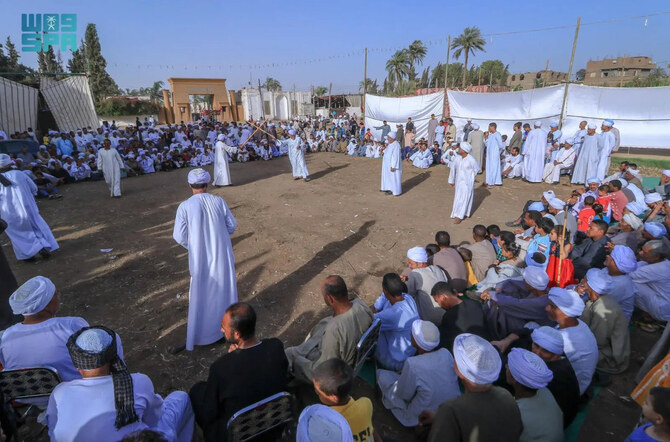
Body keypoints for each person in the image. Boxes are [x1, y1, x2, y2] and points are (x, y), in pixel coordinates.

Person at [46, 326, 194, 442]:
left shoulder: (59, 392)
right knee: (180, 397)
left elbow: (53, 431)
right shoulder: (137, 382)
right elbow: (155, 418)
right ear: (114, 358)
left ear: (77, 366)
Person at [0, 276, 123, 387]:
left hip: (28, 397)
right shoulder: (70, 325)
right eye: (55, 294)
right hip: (74, 390)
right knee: (110, 337)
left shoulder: (6, 336)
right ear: (46, 304)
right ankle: (117, 381)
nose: (58, 296)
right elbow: (93, 355)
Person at [189, 303, 288, 441]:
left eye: (224, 327)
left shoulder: (221, 368)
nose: (221, 329)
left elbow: (209, 412)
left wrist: (235, 357)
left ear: (237, 333)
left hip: (238, 433)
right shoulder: (276, 347)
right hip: (274, 422)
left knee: (196, 392)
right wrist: (238, 355)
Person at [173, 169, 238, 352]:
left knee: (201, 294)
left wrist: (194, 246)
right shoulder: (218, 201)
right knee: (225, 291)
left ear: (189, 185)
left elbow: (179, 236)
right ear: (207, 184)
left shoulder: (185, 206)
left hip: (199, 258)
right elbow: (232, 226)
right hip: (221, 256)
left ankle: (202, 335)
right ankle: (227, 331)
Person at [419, 334, 522, 442]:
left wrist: (443, 418)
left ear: (459, 371)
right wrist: (440, 418)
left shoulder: (451, 409)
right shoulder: (507, 397)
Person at [285, 275, 373, 383]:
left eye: (324, 296)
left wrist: (298, 363)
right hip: (351, 343)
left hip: (337, 365)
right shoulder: (360, 305)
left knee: (289, 354)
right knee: (324, 322)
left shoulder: (334, 330)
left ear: (330, 299)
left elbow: (325, 369)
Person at [377, 320, 461, 427]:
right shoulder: (446, 353)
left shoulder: (412, 364)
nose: (410, 334)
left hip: (421, 415)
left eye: (412, 333)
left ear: (417, 342)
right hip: (450, 408)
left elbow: (404, 395)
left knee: (381, 375)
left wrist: (405, 375)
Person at [0, 154, 59, 261]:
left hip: (9, 213)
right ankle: (42, 246)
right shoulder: (19, 174)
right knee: (35, 227)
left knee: (18, 235)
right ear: (10, 163)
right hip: (28, 208)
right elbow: (34, 188)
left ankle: (28, 255)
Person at [312, 359, 380, 442]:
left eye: (318, 392)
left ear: (334, 398)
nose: (316, 392)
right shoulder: (366, 403)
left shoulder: (326, 421)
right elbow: (371, 429)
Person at [578, 268, 630, 375]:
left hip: (610, 358)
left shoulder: (602, 308)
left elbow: (599, 341)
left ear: (591, 285)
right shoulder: (598, 299)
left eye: (584, 280)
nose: (582, 282)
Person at [480, 266, 554, 340]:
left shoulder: (543, 302)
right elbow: (511, 282)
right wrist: (498, 290)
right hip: (525, 316)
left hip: (533, 330)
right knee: (507, 296)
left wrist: (493, 294)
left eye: (525, 280)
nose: (523, 281)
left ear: (530, 284)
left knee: (502, 309)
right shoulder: (541, 289)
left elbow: (516, 304)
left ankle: (494, 336)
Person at [506, 348, 563, 442]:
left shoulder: (514, 414)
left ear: (513, 377)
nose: (506, 367)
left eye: (508, 366)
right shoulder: (545, 391)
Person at [547, 287, 597, 394]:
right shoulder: (579, 323)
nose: (546, 308)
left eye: (552, 307)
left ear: (565, 313)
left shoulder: (564, 339)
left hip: (572, 389)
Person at [530, 326, 580, 428]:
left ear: (556, 355)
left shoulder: (553, 375)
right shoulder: (561, 361)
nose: (537, 352)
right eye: (536, 345)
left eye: (545, 351)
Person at [372, 273, 419, 370]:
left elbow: (368, 319)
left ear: (385, 291)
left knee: (371, 330)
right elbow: (378, 306)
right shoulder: (408, 298)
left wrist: (378, 305)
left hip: (396, 362)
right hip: (409, 353)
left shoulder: (393, 314)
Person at [431, 281, 489, 351]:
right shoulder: (473, 303)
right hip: (487, 345)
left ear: (444, 297)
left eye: (437, 301)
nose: (439, 305)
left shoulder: (449, 317)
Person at [405, 247, 448, 325]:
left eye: (411, 264)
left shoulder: (415, 273)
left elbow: (409, 295)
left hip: (430, 319)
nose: (409, 266)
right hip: (446, 314)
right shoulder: (437, 268)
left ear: (420, 264)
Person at [631, 240, 670, 322]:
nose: (641, 253)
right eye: (642, 250)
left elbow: (626, 274)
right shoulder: (664, 262)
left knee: (629, 283)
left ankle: (648, 314)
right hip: (664, 302)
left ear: (656, 257)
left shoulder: (656, 269)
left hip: (663, 309)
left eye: (645, 252)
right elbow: (633, 266)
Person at [605, 245, 638, 322]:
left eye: (610, 256)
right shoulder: (609, 271)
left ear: (616, 264)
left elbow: (595, 300)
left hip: (612, 321)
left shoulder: (620, 284)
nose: (607, 256)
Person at [449, 142, 479, 224]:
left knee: (465, 198)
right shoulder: (457, 158)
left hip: (467, 183)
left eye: (461, 148)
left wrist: (470, 177)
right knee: (458, 197)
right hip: (458, 182)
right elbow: (452, 169)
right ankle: (456, 213)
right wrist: (451, 180)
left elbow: (477, 169)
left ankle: (460, 216)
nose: (459, 149)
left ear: (465, 150)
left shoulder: (471, 159)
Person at [380, 131, 402, 196]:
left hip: (392, 165)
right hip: (387, 164)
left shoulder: (396, 145)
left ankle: (394, 190)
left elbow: (396, 157)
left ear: (393, 138)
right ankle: (387, 188)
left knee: (393, 177)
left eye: (389, 137)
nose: (388, 139)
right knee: (388, 176)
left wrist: (393, 166)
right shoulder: (391, 144)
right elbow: (388, 150)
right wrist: (383, 152)